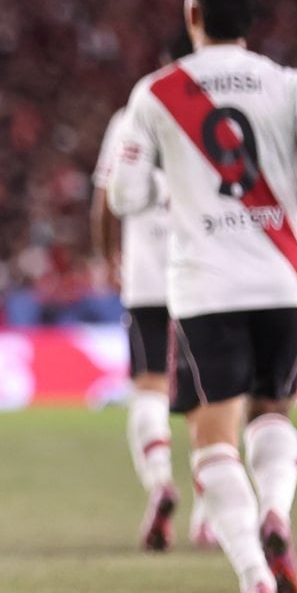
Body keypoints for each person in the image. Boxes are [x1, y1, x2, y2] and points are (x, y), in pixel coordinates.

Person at [109, 0, 297, 593]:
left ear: (193, 13)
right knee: (273, 412)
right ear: (253, 18)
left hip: (207, 285)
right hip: (284, 278)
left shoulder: (157, 93)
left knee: (213, 437)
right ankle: (276, 508)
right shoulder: (291, 83)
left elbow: (125, 193)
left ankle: (255, 580)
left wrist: (173, 191)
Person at [91, 34, 207, 552]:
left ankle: (160, 482)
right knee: (211, 396)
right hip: (207, 274)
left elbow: (105, 199)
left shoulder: (131, 115)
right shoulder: (213, 116)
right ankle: (210, 515)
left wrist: (108, 256)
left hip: (146, 275)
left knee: (150, 385)